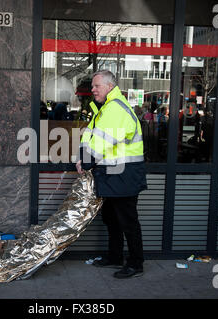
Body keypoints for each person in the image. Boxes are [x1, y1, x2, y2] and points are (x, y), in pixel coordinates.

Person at [76, 70, 147, 279]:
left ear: (109, 86)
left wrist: (86, 161)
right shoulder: (105, 108)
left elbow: (102, 141)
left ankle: (136, 263)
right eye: (92, 87)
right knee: (111, 219)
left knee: (128, 221)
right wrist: (82, 156)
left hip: (124, 174)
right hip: (112, 174)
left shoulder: (115, 108)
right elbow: (90, 136)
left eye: (97, 86)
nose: (93, 90)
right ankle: (115, 256)